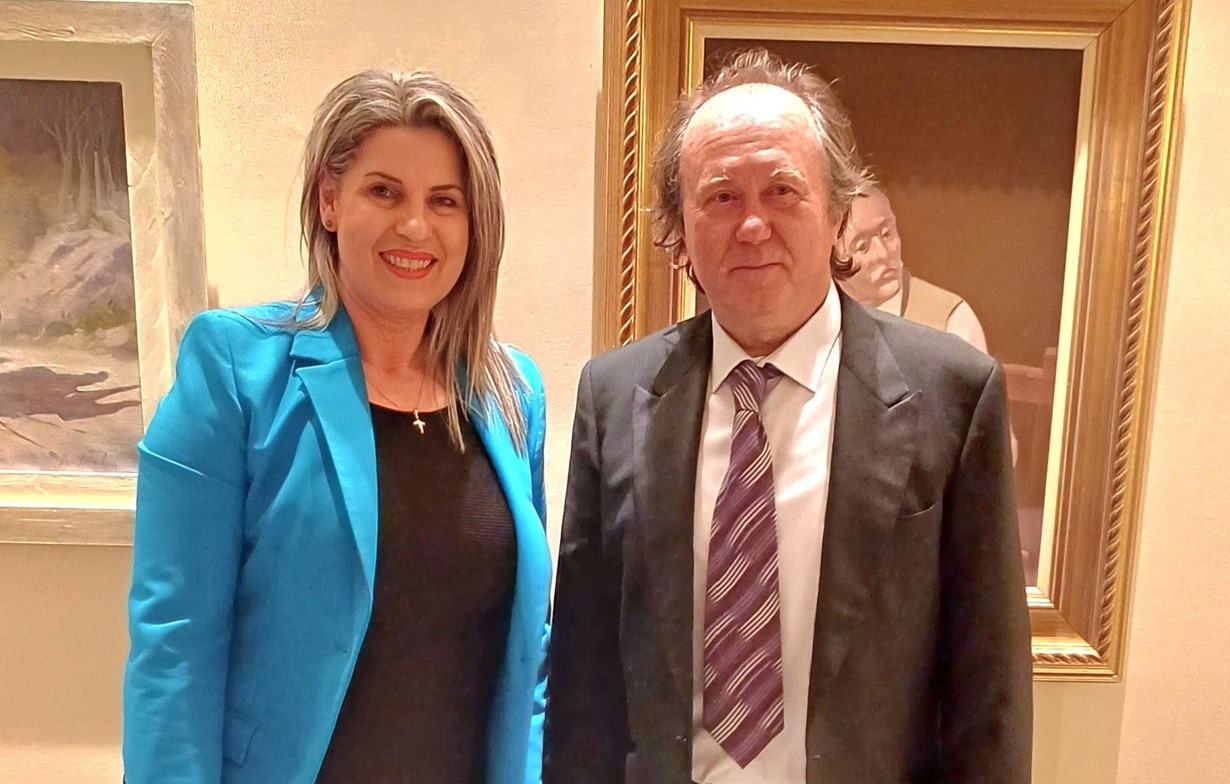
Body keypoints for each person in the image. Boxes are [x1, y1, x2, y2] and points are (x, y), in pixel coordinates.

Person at [544, 49, 1031, 784]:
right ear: (679, 230)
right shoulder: (613, 397)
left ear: (836, 214)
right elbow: (582, 685)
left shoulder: (954, 397)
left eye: (782, 190)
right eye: (719, 197)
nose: (751, 225)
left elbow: (989, 696)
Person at [122, 70, 551, 784]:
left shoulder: (511, 391)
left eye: (444, 201)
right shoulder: (235, 368)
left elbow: (529, 650)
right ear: (329, 200)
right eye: (384, 192)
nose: (414, 226)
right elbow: (175, 649)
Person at [838, 184, 988, 351]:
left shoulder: (952, 321)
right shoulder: (824, 321)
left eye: (887, 233)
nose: (883, 253)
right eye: (862, 246)